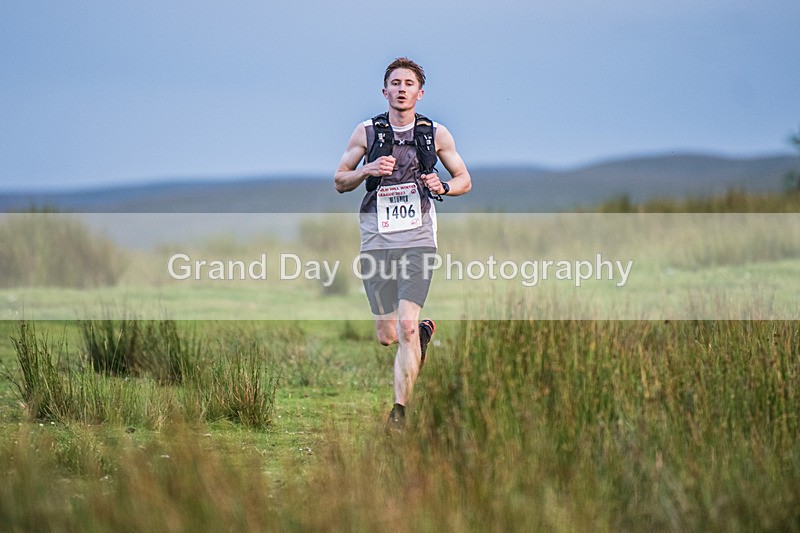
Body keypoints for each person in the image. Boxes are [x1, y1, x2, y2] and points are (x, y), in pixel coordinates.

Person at [333, 57, 471, 432]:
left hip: (419, 237)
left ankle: (400, 414)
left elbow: (463, 179)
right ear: (385, 91)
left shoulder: (435, 134)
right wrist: (366, 170)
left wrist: (443, 187)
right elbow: (339, 180)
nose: (401, 88)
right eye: (395, 83)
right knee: (387, 335)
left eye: (409, 83)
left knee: (405, 327)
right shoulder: (367, 132)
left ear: (420, 92)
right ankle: (423, 335)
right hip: (376, 238)